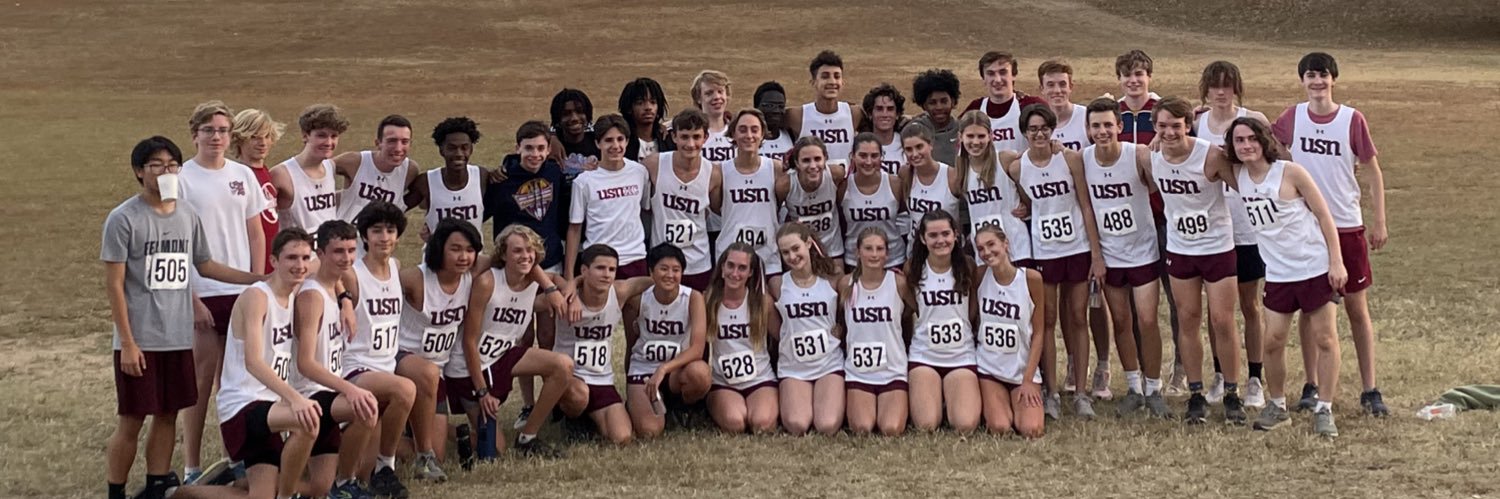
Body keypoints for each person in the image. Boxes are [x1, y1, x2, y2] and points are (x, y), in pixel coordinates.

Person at [103, 137, 263, 499]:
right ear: (139, 172)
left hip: (177, 336)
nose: (166, 172)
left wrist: (256, 278)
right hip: (141, 338)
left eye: (172, 165)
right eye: (156, 165)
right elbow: (114, 285)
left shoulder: (187, 215)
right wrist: (127, 342)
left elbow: (205, 265)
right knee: (132, 419)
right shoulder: (123, 219)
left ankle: (157, 484)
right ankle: (116, 490)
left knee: (168, 413)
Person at [1272, 52, 1389, 417]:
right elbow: (1264, 142)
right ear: (1302, 81)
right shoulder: (1292, 117)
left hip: (1346, 224)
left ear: (1333, 79)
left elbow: (1372, 171)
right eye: (1310, 75)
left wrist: (1379, 221)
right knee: (1311, 311)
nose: (1317, 82)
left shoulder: (1351, 119)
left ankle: (1370, 389)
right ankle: (1311, 385)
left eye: (1323, 75)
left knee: (1356, 309)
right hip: (1307, 228)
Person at [174, 229, 319, 499]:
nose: (300, 265)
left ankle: (181, 494)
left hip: (270, 406)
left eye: (304, 258)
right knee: (307, 422)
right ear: (273, 261)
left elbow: (330, 257)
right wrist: (295, 398)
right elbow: (253, 362)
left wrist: (345, 300)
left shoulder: (292, 292)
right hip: (243, 404)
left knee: (261, 495)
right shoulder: (257, 296)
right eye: (291, 258)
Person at [1225, 118, 1346, 437]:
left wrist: (1336, 262)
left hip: (1313, 266)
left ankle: (1324, 408)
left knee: (1325, 338)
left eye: (1252, 138)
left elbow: (1324, 215)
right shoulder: (1238, 175)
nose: (1247, 145)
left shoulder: (1290, 172)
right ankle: (1277, 405)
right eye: (1239, 140)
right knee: (1273, 341)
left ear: (1264, 140)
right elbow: (1200, 150)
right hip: (1278, 273)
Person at [177, 101, 269, 483]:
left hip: (241, 292)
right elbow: (174, 239)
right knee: (200, 381)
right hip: (203, 290)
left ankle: (236, 457)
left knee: (236, 381)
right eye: (208, 130)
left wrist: (257, 283)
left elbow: (255, 232)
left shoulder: (243, 174)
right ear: (194, 134)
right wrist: (191, 297)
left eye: (222, 131)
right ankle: (192, 466)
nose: (216, 137)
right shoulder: (180, 177)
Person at [1145, 97, 1245, 425]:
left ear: (1188, 125)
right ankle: (1196, 393)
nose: (1169, 132)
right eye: (1162, 126)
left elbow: (1244, 185)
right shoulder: (1150, 156)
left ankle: (1232, 392)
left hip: (1216, 248)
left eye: (1176, 126)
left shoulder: (1210, 155)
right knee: (1187, 320)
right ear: (1154, 127)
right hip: (1181, 249)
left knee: (1222, 321)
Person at [1004, 104, 1105, 419]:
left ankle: (1081, 393)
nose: (1039, 134)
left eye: (1045, 128)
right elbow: (1029, 203)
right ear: (1025, 133)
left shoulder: (1070, 159)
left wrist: (1096, 253)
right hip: (1044, 252)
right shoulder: (1018, 168)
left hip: (1076, 247)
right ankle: (1051, 392)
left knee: (1078, 317)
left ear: (1052, 130)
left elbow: (1085, 205)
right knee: (1046, 321)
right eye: (1033, 129)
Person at [1078, 98, 1169, 418]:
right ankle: (1133, 387)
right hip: (1110, 255)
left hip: (1143, 251)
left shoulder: (1137, 154)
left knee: (1147, 320)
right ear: (1088, 130)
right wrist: (1096, 255)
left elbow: (1163, 185)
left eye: (1108, 125)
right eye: (1096, 126)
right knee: (1121, 321)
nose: (1102, 131)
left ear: (1119, 126)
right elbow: (1087, 209)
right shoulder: (1083, 159)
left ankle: (1154, 387)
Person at [449, 224, 573, 458]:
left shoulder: (535, 281)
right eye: (517, 251)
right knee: (494, 450)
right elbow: (469, 342)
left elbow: (557, 278)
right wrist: (482, 391)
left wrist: (557, 291)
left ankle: (528, 437)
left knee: (563, 365)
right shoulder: (488, 282)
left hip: (501, 357)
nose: (525, 256)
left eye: (530, 250)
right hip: (468, 367)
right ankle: (441, 429)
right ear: (503, 255)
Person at [1195, 61, 1271, 410]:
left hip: (1246, 226)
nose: (1221, 92)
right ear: (1205, 90)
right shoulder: (1197, 123)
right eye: (1214, 85)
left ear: (1237, 88)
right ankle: (1220, 374)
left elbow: (1273, 161)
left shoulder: (1252, 119)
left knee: (1250, 304)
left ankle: (1255, 377)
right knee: (1217, 310)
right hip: (1210, 228)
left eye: (1227, 85)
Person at [292, 221, 380, 498]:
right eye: (338, 251)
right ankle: (346, 482)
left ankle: (259, 485)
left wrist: (345, 301)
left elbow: (337, 279)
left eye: (351, 250)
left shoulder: (334, 289)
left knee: (317, 489)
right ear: (320, 254)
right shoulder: (312, 297)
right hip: (309, 394)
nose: (347, 258)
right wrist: (349, 388)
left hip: (328, 391)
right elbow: (305, 363)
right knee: (366, 408)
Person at [338, 201, 417, 498]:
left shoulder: (396, 267)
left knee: (362, 472)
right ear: (364, 236)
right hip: (356, 368)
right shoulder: (353, 273)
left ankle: (375, 465)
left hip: (386, 367)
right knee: (406, 389)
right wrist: (345, 300)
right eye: (376, 230)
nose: (384, 237)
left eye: (390, 230)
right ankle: (387, 467)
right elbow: (325, 274)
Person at [395, 218, 481, 482]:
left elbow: (513, 256)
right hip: (401, 359)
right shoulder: (415, 278)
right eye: (455, 249)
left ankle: (393, 436)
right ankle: (380, 437)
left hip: (436, 372)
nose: (463, 256)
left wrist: (553, 288)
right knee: (428, 373)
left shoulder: (471, 274)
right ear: (439, 248)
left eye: (469, 250)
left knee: (440, 455)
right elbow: (375, 287)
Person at [622, 243, 712, 438]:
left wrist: (663, 369)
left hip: (675, 372)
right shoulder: (638, 298)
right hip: (644, 370)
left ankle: (680, 408)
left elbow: (697, 349)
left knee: (700, 374)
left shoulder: (693, 298)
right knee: (650, 431)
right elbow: (631, 341)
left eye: (676, 270)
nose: (670, 275)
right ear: (651, 272)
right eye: (663, 269)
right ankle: (638, 404)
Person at [547, 244, 634, 444]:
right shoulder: (565, 297)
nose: (607, 274)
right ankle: (570, 417)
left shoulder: (619, 292)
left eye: (612, 269)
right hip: (570, 377)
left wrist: (575, 280)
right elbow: (541, 278)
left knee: (622, 438)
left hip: (602, 379)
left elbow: (654, 280)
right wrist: (569, 284)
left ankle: (591, 416)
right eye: (600, 268)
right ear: (584, 270)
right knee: (579, 396)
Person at [905, 210, 982, 433]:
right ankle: (937, 395)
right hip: (924, 356)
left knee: (965, 424)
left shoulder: (967, 265)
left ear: (956, 235)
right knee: (926, 424)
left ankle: (950, 395)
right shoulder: (913, 267)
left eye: (946, 234)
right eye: (933, 235)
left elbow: (973, 309)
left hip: (961, 355)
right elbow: (913, 308)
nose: (941, 240)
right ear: (922, 238)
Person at [769, 223, 845, 436]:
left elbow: (847, 311)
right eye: (785, 252)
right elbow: (777, 327)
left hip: (828, 363)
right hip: (793, 367)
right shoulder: (777, 284)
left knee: (827, 425)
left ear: (809, 244)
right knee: (797, 424)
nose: (792, 257)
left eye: (796, 248)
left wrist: (841, 329)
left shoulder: (833, 278)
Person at [971, 226, 1046, 438]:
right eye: (980, 248)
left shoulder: (1031, 279)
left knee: (1032, 429)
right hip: (989, 368)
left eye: (991, 244)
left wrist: (1028, 379)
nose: (986, 252)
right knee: (1000, 427)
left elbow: (1039, 333)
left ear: (1005, 244)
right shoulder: (980, 275)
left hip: (1021, 369)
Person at [839, 228, 913, 436]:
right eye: (868, 248)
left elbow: (916, 310)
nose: (874, 254)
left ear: (887, 254)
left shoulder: (898, 283)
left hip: (893, 369)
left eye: (880, 249)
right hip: (859, 371)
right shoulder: (846, 284)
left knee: (891, 428)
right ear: (857, 252)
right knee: (862, 428)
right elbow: (838, 317)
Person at [705, 242, 780, 433]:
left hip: (760, 378)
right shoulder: (707, 300)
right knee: (735, 423)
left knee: (762, 424)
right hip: (723, 382)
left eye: (742, 268)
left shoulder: (763, 302)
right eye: (730, 266)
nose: (735, 273)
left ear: (751, 273)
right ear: (722, 268)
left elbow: (783, 337)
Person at [567, 115, 651, 280]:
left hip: (635, 258)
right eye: (608, 140)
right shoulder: (584, 181)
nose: (615, 146)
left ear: (627, 141)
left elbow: (644, 210)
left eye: (620, 139)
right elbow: (575, 228)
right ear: (598, 143)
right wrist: (569, 275)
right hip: (599, 261)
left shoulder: (639, 172)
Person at [644, 109, 721, 290]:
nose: (690, 144)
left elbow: (717, 210)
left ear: (706, 137)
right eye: (684, 137)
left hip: (698, 263)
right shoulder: (654, 164)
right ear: (674, 137)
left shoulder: (713, 173)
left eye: (696, 137)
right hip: (661, 262)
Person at [712, 109, 788, 275]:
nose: (749, 135)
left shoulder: (775, 168)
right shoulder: (720, 171)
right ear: (733, 134)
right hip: (730, 257)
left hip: (768, 256)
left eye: (754, 130)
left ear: (762, 135)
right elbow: (717, 208)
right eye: (742, 130)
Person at [487, 120, 570, 273]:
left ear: (549, 150)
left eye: (541, 148)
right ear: (518, 148)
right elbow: (480, 212)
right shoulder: (502, 179)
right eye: (529, 148)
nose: (535, 154)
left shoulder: (554, 173)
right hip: (515, 263)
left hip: (551, 262)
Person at [956, 110, 1032, 268]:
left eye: (981, 136)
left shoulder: (1005, 159)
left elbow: (1036, 163)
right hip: (984, 251)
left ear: (991, 136)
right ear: (960, 137)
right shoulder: (961, 169)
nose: (975, 142)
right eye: (970, 136)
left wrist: (1027, 206)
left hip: (1015, 245)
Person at [270, 104, 347, 232]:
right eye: (321, 136)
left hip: (328, 244)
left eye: (334, 136)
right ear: (305, 135)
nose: (329, 142)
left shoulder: (330, 167)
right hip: (296, 243)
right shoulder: (281, 174)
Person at [409, 117, 486, 239]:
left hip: (472, 251)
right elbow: (397, 210)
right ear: (441, 150)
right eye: (452, 148)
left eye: (464, 147)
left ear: (471, 149)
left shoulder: (482, 176)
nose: (459, 154)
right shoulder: (426, 182)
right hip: (436, 252)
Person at [333, 115, 419, 222]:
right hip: (346, 231)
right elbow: (318, 170)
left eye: (404, 142)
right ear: (378, 143)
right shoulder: (355, 162)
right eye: (392, 141)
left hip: (381, 232)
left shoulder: (410, 170)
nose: (398, 148)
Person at [842, 133, 908, 271]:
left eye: (874, 156)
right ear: (852, 156)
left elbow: (905, 218)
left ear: (881, 157)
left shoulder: (895, 184)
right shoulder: (843, 186)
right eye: (863, 155)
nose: (868, 162)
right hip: (855, 260)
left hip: (893, 259)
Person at [229, 109, 284, 271]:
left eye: (267, 136)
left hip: (272, 262)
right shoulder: (237, 177)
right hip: (250, 266)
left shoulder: (266, 172)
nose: (263, 143)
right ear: (239, 139)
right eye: (255, 137)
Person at [786, 50, 866, 162]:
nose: (832, 81)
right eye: (825, 76)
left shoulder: (854, 113)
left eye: (837, 76)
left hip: (845, 173)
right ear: (813, 82)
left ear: (843, 82)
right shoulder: (797, 115)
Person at [963, 52, 1047, 154]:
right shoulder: (975, 109)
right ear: (983, 78)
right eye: (990, 74)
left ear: (1013, 75)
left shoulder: (1031, 105)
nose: (997, 80)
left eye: (1003, 72)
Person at [784, 136, 846, 261]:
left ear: (825, 159)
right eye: (806, 160)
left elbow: (842, 205)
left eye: (817, 159)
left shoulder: (836, 174)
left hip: (832, 248)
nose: (813, 166)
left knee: (837, 273)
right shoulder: (785, 185)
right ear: (797, 163)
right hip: (800, 249)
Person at [899, 122, 963, 242]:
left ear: (930, 144)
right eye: (908, 149)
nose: (914, 154)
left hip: (946, 245)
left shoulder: (951, 176)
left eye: (919, 147)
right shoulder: (905, 174)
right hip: (916, 246)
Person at [910, 68, 963, 165]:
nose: (939, 107)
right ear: (924, 105)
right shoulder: (914, 131)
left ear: (953, 102)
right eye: (932, 102)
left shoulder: (962, 130)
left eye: (944, 101)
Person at [1038, 59, 1089, 152]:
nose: (1057, 90)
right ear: (1042, 89)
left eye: (1062, 84)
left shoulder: (1086, 117)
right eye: (1050, 85)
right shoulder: (1035, 123)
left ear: (1070, 87)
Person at [619, 78, 673, 161]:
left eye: (653, 102)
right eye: (640, 103)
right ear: (629, 108)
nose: (648, 107)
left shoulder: (667, 140)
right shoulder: (621, 141)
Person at [550, 88, 600, 178]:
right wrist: (550, 138)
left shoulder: (599, 140)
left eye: (579, 111)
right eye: (566, 114)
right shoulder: (549, 146)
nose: (574, 118)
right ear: (558, 119)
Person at [860, 83, 909, 174]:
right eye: (879, 109)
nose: (885, 114)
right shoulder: (859, 144)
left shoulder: (905, 143)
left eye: (890, 109)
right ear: (870, 114)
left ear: (897, 114)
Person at [691, 70, 737, 163]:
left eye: (720, 92)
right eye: (709, 93)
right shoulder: (689, 132)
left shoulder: (738, 130)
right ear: (698, 98)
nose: (717, 97)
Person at [753, 81, 795, 163]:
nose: (776, 110)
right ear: (756, 108)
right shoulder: (747, 138)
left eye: (780, 106)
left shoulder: (791, 135)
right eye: (770, 106)